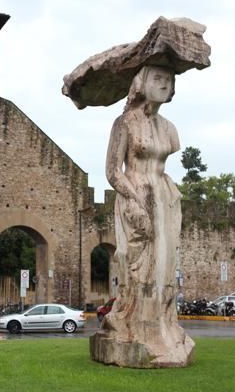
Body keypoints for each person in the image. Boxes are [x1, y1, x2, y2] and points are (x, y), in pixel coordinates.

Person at [98, 64, 194, 366]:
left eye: (169, 80)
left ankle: (164, 328)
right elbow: (113, 171)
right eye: (158, 79)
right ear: (142, 83)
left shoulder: (168, 128)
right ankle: (135, 326)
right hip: (134, 197)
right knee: (139, 268)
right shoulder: (125, 122)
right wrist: (134, 199)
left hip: (164, 198)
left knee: (165, 266)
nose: (164, 84)